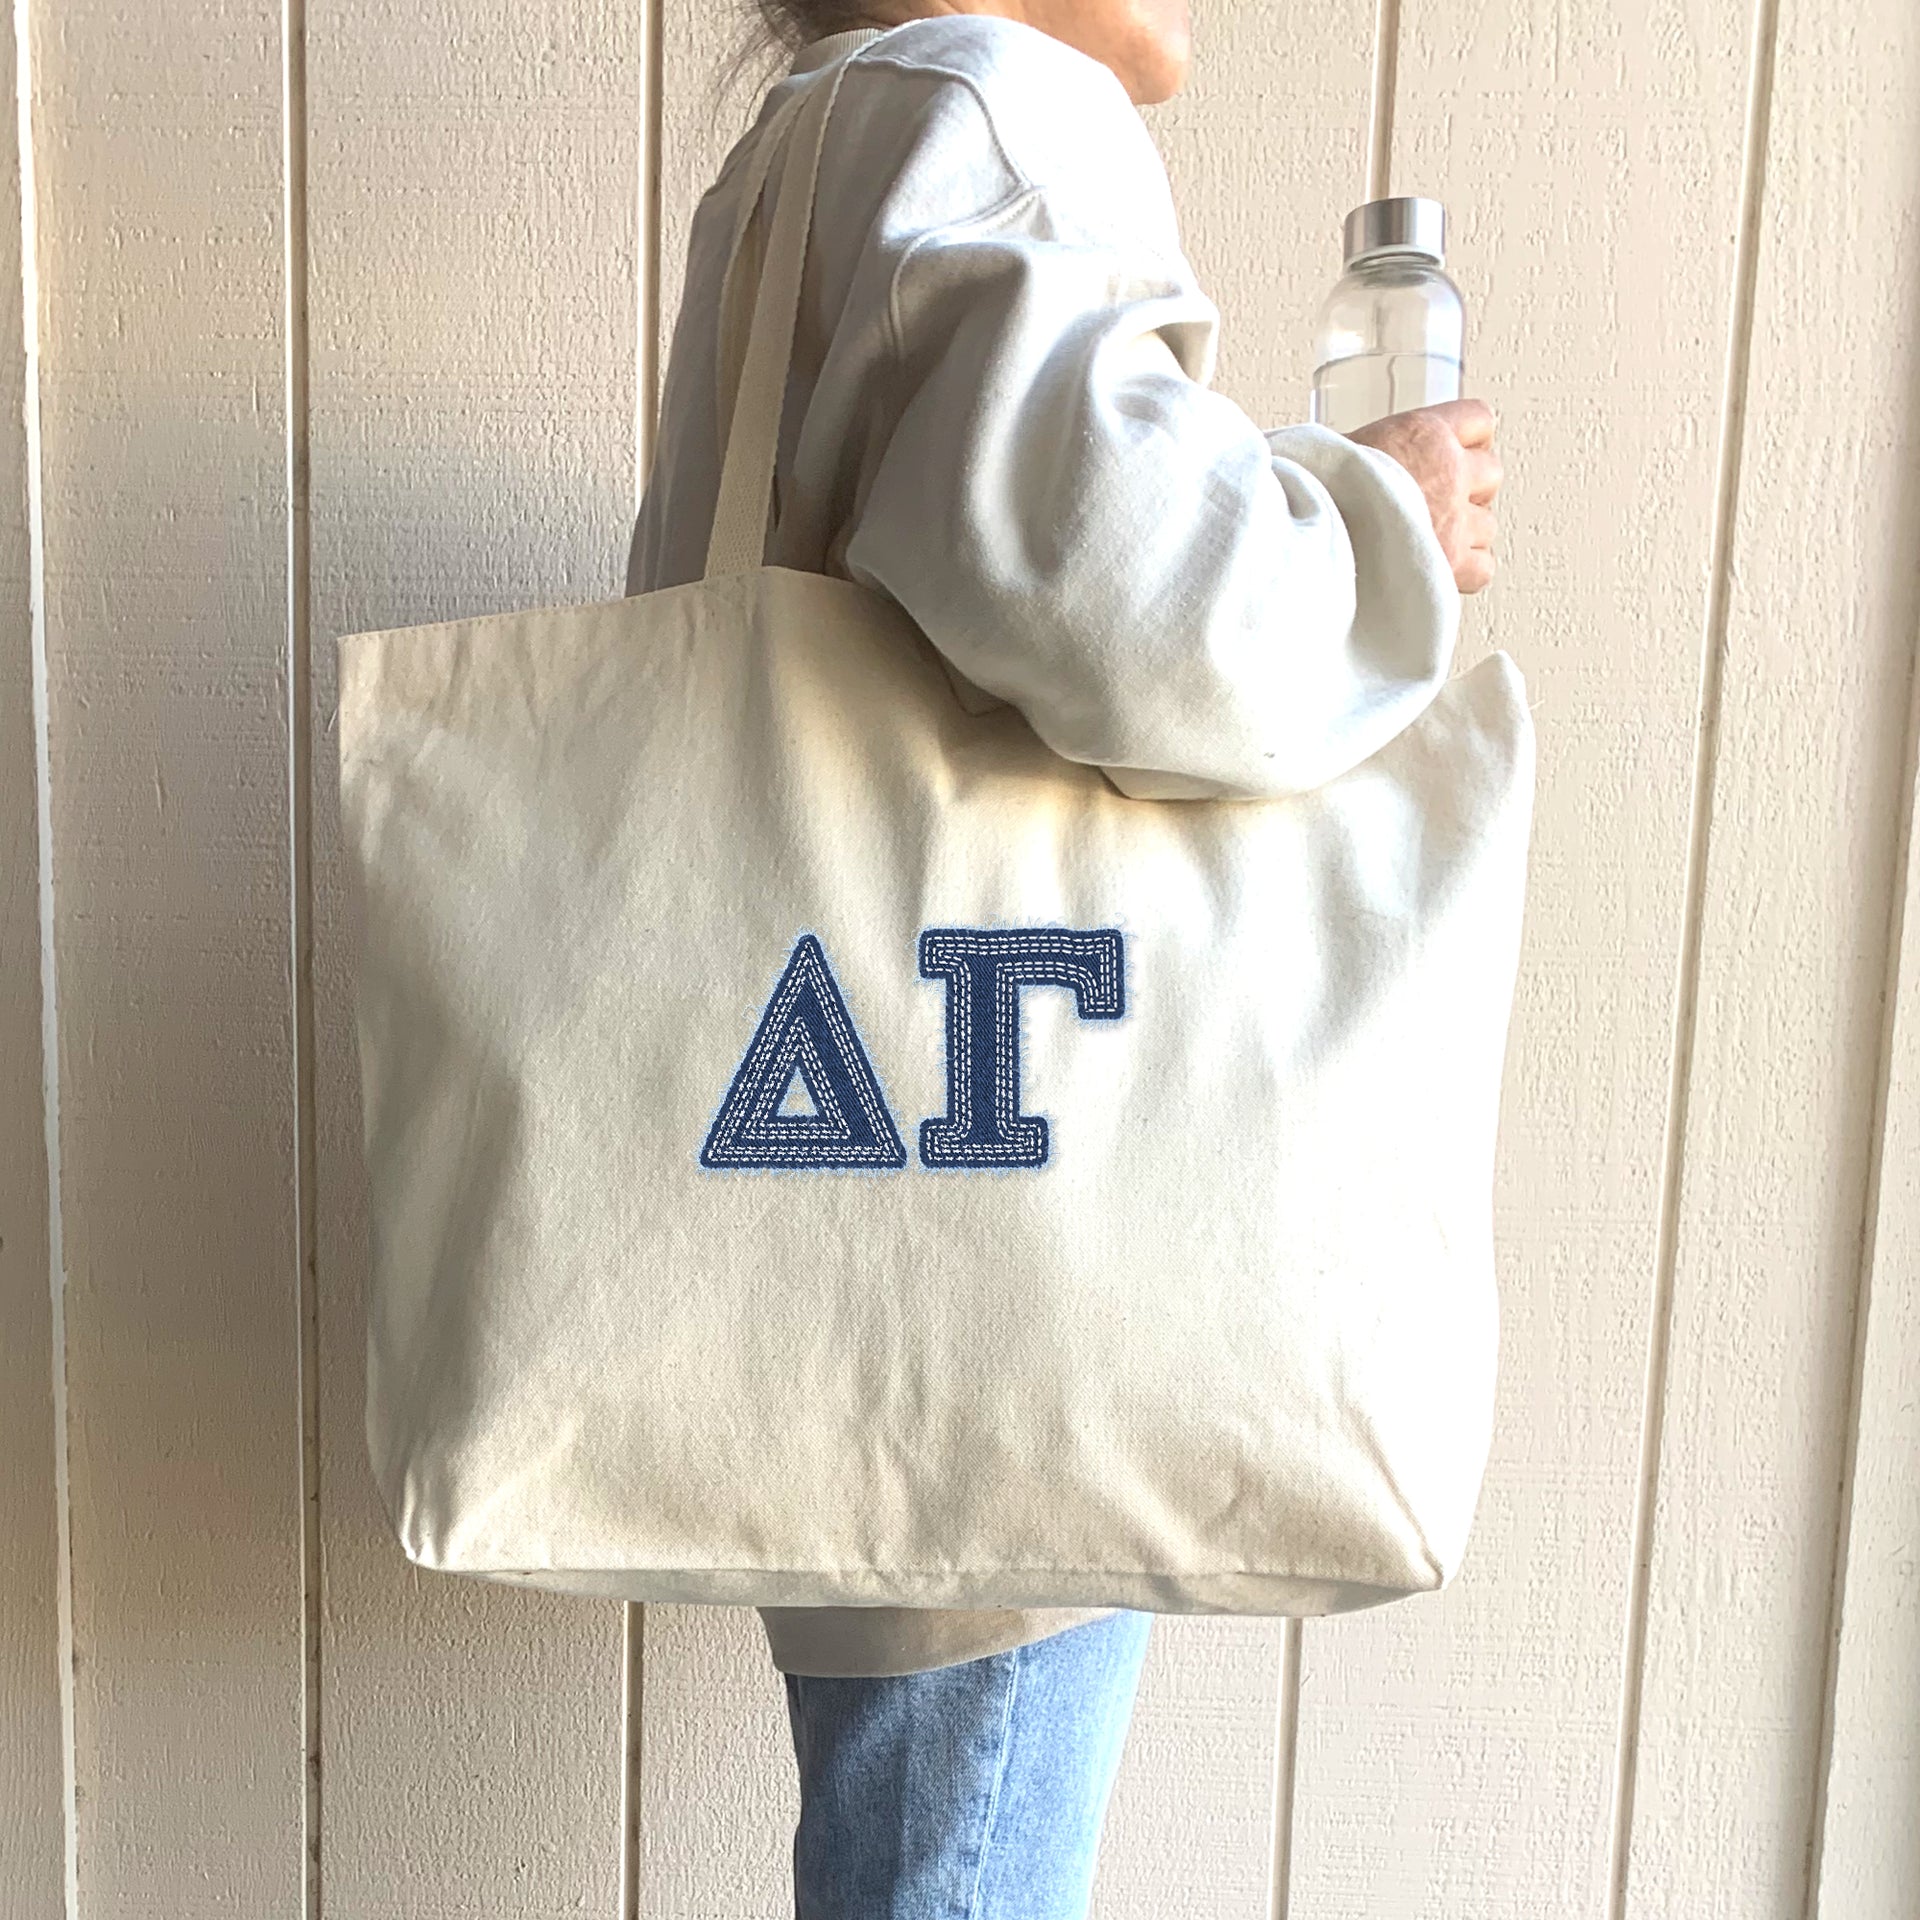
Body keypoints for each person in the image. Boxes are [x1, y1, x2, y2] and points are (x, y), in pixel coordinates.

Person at [626, 4, 1502, 1913]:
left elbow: (997, 542)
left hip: (861, 1183)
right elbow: (1142, 613)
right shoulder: (998, 108)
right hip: (1007, 1220)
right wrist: (1385, 526)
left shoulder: (813, 141)